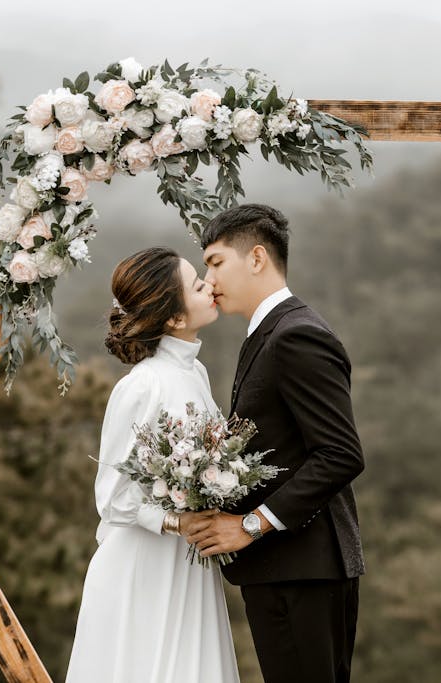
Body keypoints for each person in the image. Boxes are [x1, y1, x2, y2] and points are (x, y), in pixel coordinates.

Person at [183, 204, 365, 683]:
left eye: (216, 262)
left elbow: (341, 454)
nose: (209, 277)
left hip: (304, 569)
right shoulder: (267, 332)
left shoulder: (296, 334)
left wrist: (250, 525)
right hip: (285, 569)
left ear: (257, 258)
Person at [65, 246, 240, 683]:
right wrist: (176, 522)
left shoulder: (194, 373)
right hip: (143, 568)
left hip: (187, 563)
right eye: (198, 285)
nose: (209, 285)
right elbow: (111, 499)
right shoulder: (140, 386)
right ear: (174, 318)